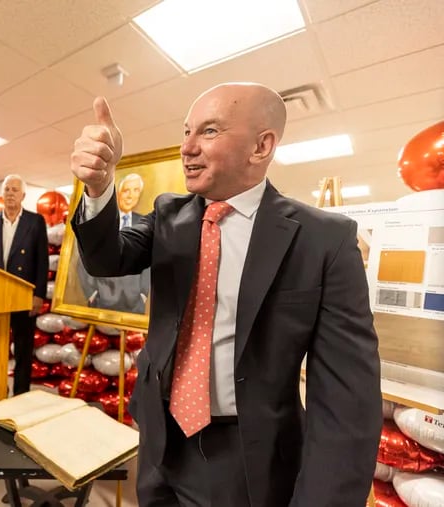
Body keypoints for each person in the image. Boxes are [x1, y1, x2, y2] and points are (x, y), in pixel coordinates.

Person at [69, 83, 382, 506]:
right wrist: (100, 189)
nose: (187, 148)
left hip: (249, 459)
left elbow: (346, 402)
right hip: (161, 440)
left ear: (261, 146)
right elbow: (107, 259)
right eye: (186, 132)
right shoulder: (169, 216)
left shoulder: (323, 240)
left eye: (209, 131)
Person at [0, 174, 49, 395]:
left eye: (14, 190)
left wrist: (39, 295)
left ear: (23, 195)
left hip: (23, 296)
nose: (9, 194)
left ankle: (20, 395)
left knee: (23, 351)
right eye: (7, 189)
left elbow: (42, 262)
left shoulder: (35, 222)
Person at [77, 171, 150, 313]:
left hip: (135, 302)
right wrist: (91, 293)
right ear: (118, 193)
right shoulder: (102, 222)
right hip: (102, 300)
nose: (130, 195)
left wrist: (143, 294)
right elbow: (84, 256)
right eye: (126, 190)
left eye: (136, 191)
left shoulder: (145, 223)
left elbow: (150, 261)